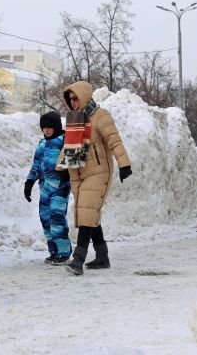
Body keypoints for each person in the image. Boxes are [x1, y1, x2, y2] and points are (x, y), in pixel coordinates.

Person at [56, 81, 131, 275]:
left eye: (75, 98)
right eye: (69, 99)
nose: (72, 102)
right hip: (77, 174)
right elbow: (68, 146)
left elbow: (115, 140)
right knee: (88, 213)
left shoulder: (101, 116)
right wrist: (60, 166)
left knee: (87, 212)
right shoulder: (73, 119)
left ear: (84, 96)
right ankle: (102, 256)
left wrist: (124, 164)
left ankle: (78, 260)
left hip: (98, 172)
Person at [24, 111, 72, 265]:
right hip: (45, 187)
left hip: (59, 187)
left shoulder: (64, 140)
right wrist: (29, 182)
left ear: (56, 126)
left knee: (56, 217)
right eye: (44, 127)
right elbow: (36, 165)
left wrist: (68, 172)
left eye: (49, 127)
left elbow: (75, 157)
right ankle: (54, 252)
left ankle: (64, 252)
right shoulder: (42, 144)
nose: (46, 130)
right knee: (45, 218)